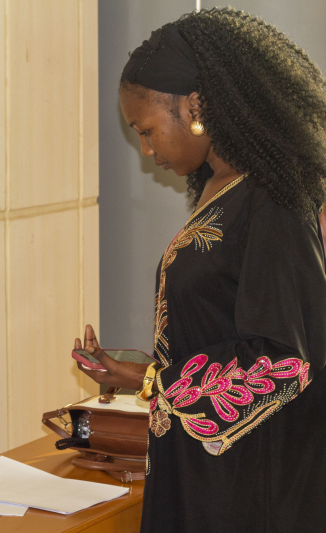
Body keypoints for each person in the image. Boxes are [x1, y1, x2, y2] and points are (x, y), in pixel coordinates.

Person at [75, 8, 326, 532]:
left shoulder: (272, 199)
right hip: (205, 469)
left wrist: (156, 382)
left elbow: (282, 359)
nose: (146, 150)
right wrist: (139, 373)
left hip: (248, 487)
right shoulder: (222, 186)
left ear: (194, 106)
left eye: (147, 131)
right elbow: (222, 327)